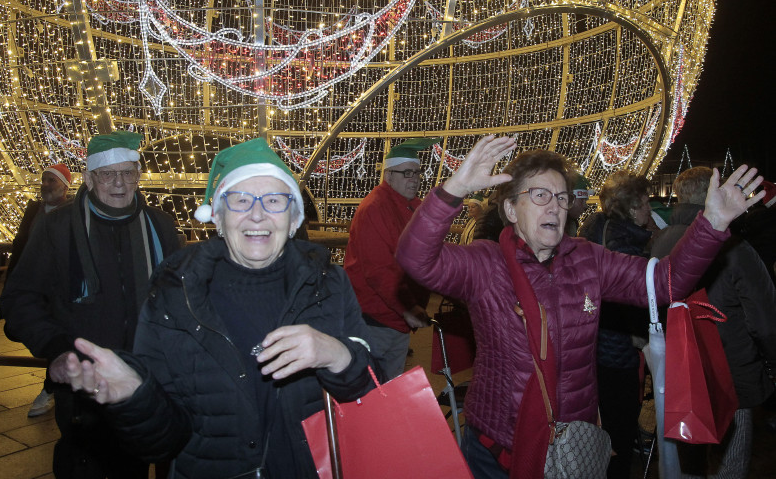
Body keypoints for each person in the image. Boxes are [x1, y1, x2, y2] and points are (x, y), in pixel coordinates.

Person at [395, 135, 763, 479]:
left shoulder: (589, 259)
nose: (553, 206)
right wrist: (453, 190)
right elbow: (414, 258)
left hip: (572, 446)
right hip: (496, 447)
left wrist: (712, 223)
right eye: (540, 195)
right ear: (510, 208)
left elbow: (667, 282)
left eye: (561, 197)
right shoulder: (485, 265)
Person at [51, 137, 378, 478]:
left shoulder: (328, 285)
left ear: (294, 218)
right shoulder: (173, 294)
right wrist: (136, 399)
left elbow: (372, 392)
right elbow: (161, 445)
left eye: (274, 200)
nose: (257, 214)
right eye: (239, 200)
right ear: (217, 217)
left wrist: (337, 355)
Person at [0, 130, 181, 479]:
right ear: (88, 178)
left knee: (151, 461)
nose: (119, 183)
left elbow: (178, 293)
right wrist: (56, 349)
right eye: (107, 174)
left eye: (128, 172)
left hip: (150, 376)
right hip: (86, 381)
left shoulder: (159, 225)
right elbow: (20, 297)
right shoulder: (58, 226)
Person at [651, 166, 776, 479]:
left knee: (692, 461)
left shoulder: (660, 241)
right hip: (732, 372)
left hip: (682, 371)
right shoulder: (734, 246)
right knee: (730, 463)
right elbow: (764, 318)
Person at [578, 170, 655, 479]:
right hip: (614, 350)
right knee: (617, 431)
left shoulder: (597, 229)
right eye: (646, 202)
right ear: (632, 206)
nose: (650, 209)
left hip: (592, 347)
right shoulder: (623, 244)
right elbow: (636, 299)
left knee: (601, 429)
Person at [344, 137, 437, 378]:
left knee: (389, 388)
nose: (414, 178)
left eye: (417, 173)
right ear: (389, 175)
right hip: (377, 319)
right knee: (373, 392)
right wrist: (406, 308)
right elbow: (378, 269)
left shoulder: (412, 206)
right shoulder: (375, 208)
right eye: (407, 173)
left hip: (396, 320)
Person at [6, 163, 73, 419]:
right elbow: (21, 244)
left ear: (65, 186)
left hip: (58, 289)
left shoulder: (71, 212)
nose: (45, 185)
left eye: (51, 181)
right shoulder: (33, 210)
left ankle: (49, 389)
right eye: (44, 180)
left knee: (58, 338)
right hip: (34, 286)